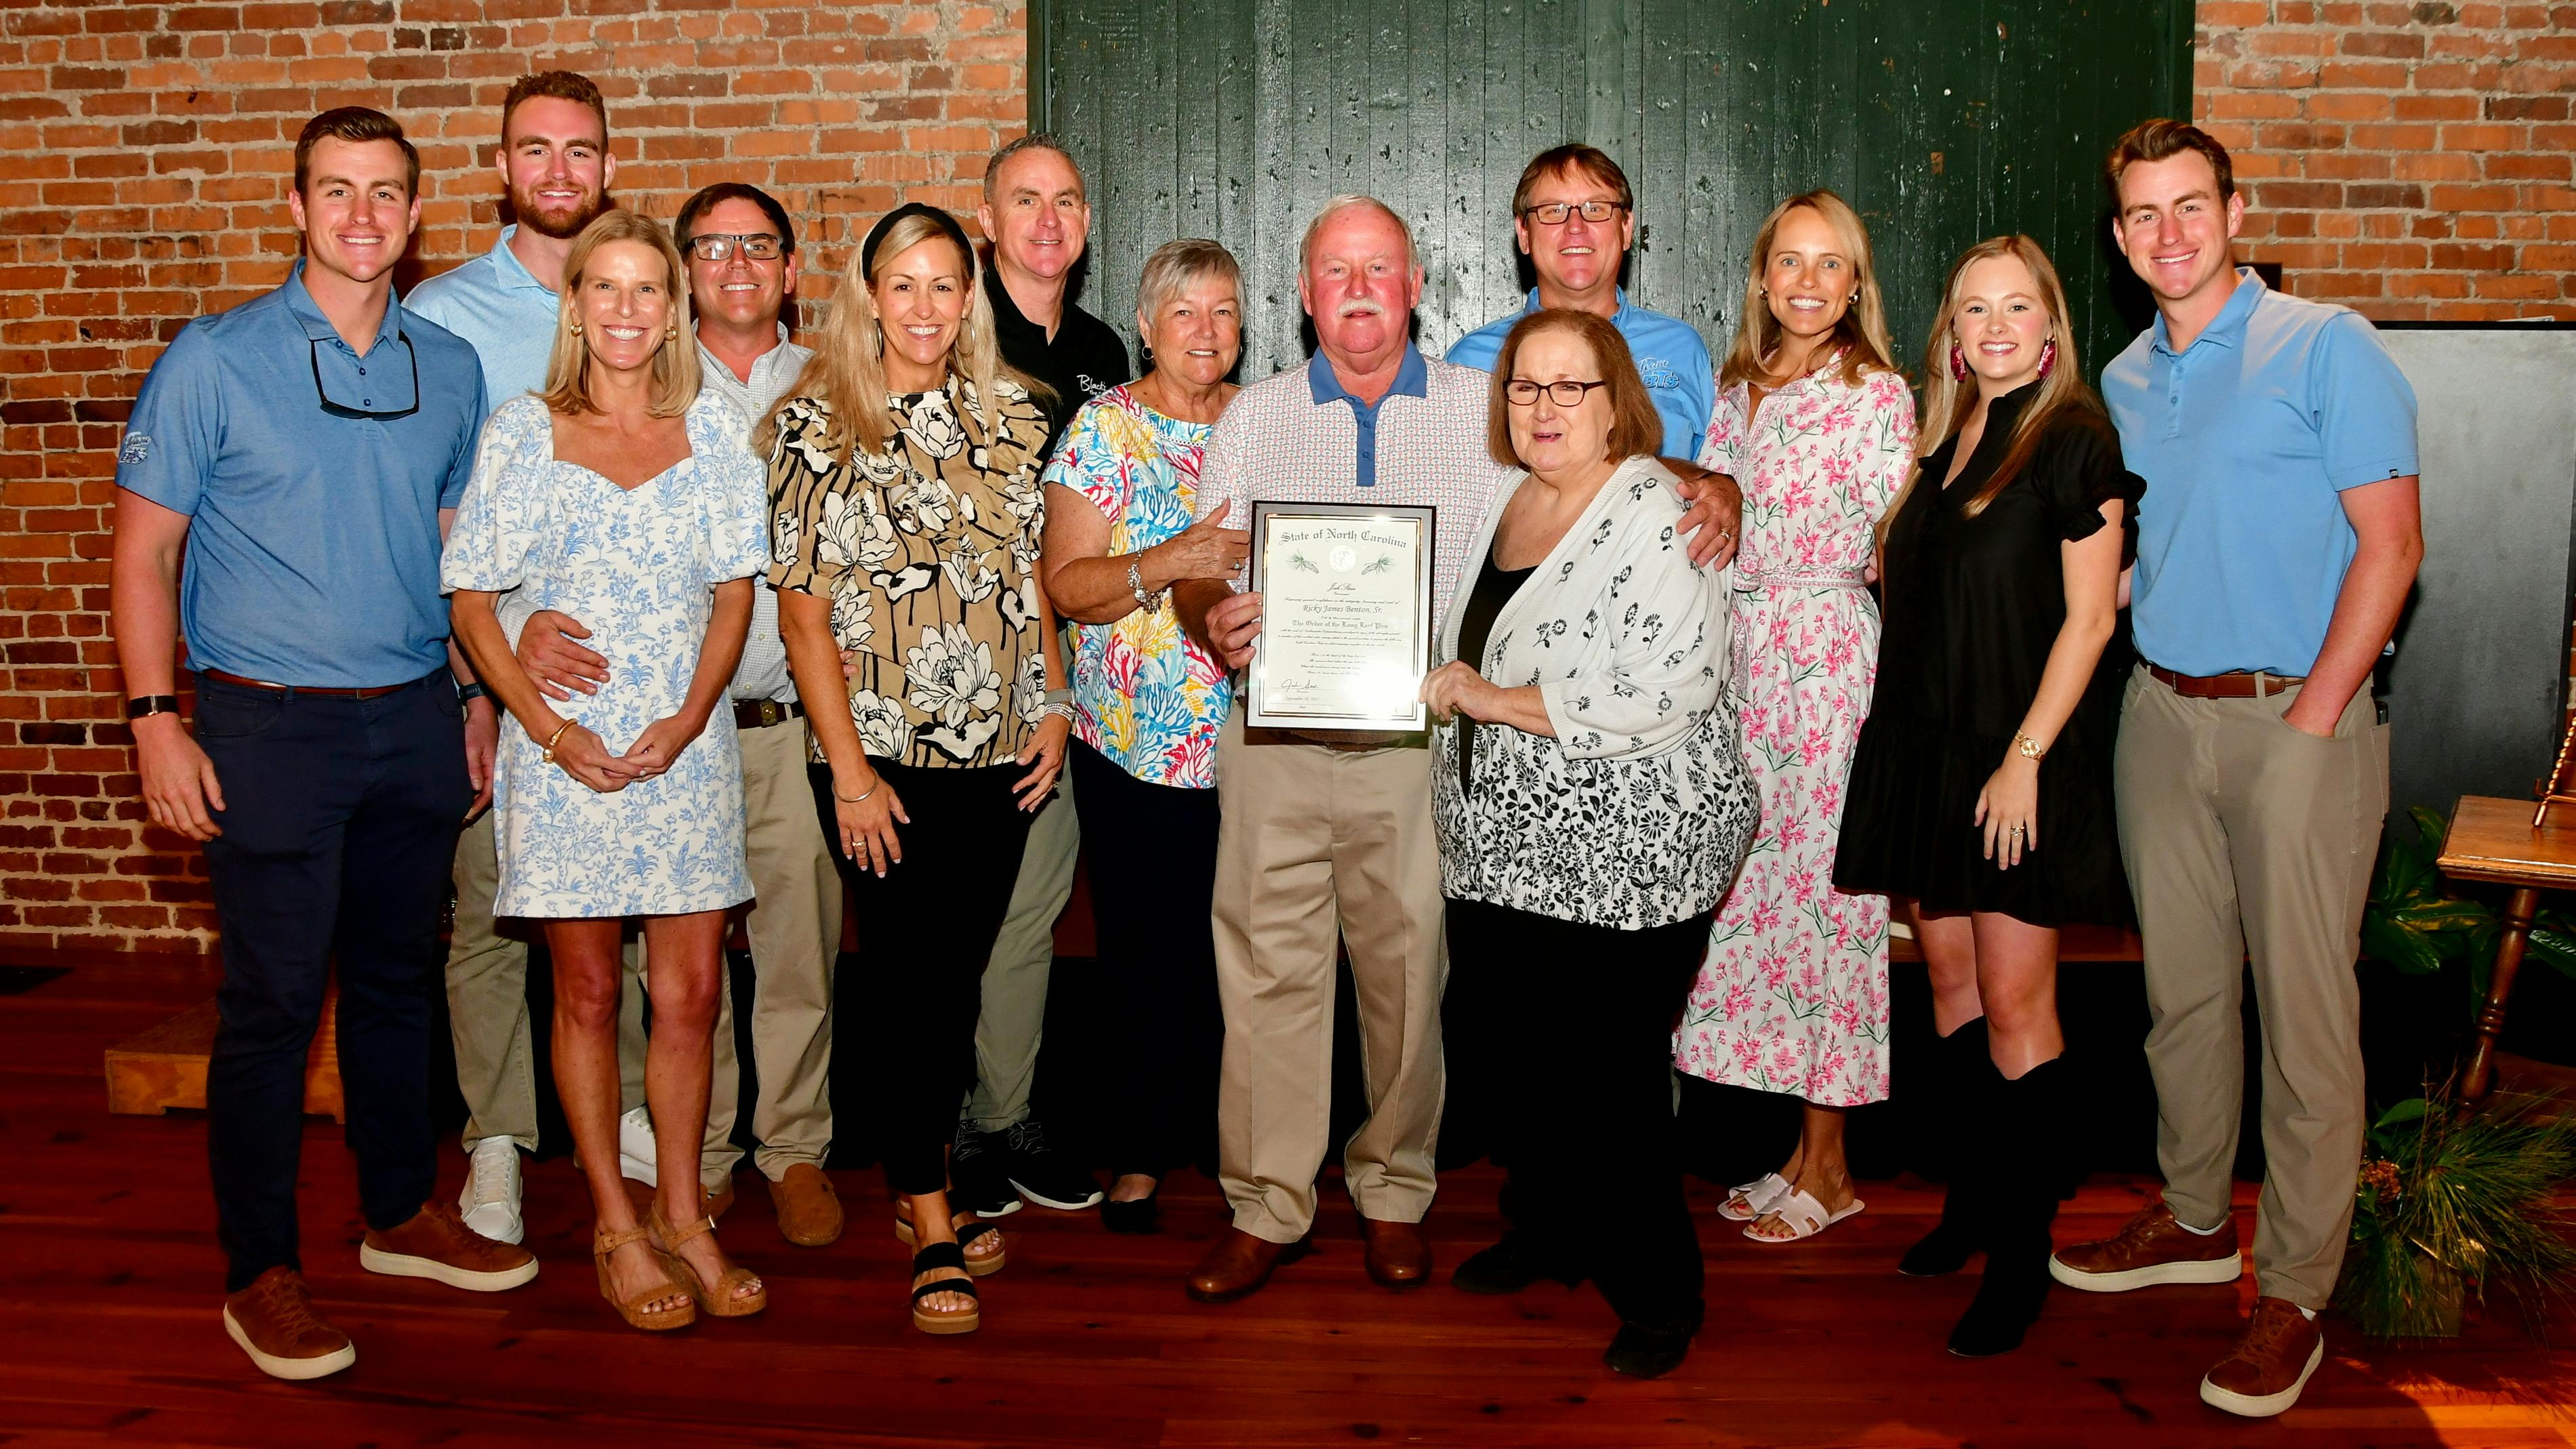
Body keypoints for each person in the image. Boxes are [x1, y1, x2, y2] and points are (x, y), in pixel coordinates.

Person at [1173, 196, 1734, 1305]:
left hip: (1418, 747)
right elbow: (1206, 556)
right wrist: (1206, 613)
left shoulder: (1489, 413)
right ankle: (1267, 1204)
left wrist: (1714, 484)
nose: (1360, 291)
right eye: (1336, 273)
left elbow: (1601, 475)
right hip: (1275, 734)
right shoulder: (1255, 416)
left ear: (1417, 282)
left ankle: (1392, 1191)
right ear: (1306, 292)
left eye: (1379, 269)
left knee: (1407, 982)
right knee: (1265, 975)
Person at [109, 106, 537, 1383]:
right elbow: (144, 551)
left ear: (416, 216)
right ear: (296, 208)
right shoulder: (215, 357)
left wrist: (472, 696)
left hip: (412, 717)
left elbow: (459, 549)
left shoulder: (448, 366)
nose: (363, 215)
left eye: (387, 193)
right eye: (337, 191)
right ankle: (263, 1272)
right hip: (265, 720)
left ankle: (399, 1211)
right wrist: (155, 720)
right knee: (275, 1006)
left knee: (401, 984)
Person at [2050, 119, 2421, 1420]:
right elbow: (2142, 554)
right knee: (2185, 998)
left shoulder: (2328, 345)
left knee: (2308, 1021)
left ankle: (2297, 1290)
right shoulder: (2122, 376)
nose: (2168, 233)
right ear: (2119, 237)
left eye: (2188, 206)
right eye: (2142, 214)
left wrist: (2318, 715)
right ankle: (2198, 1218)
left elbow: (2391, 546)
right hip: (2162, 715)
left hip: (2295, 723)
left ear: (2234, 209)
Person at [406, 69, 725, 1244]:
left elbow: (721, 562)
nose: (557, 171)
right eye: (533, 152)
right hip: (510, 674)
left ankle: (648, 1139)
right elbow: (442, 518)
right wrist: (488, 671)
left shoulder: (677, 366)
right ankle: (499, 1135)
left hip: (646, 704)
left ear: (604, 162)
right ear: (502, 167)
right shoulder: (441, 317)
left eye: (578, 152)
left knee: (658, 968)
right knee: (502, 923)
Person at [443, 210, 773, 1331]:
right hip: (566, 758)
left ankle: (685, 1215)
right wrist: (544, 727)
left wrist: (687, 718)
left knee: (690, 993)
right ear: (573, 305)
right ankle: (613, 1224)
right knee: (584, 991)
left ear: (673, 307)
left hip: (684, 749)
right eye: (605, 287)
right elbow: (474, 597)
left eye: (648, 288)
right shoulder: (520, 431)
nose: (627, 307)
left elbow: (735, 590)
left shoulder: (713, 433)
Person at [506, 182, 849, 1248]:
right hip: (635, 738)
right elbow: (514, 563)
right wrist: (519, 628)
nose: (737, 265)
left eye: (760, 247)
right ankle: (688, 1173)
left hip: (775, 721)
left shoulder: (836, 385)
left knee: (785, 958)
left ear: (791, 269)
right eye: (711, 248)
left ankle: (792, 1150)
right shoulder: (596, 403)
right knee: (637, 984)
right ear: (680, 279)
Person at [1423, 309, 1758, 1379]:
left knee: (1608, 1080)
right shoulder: (1506, 500)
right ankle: (1550, 1229)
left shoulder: (1661, 511)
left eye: (1571, 388)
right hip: (1502, 844)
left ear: (1616, 403)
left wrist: (1489, 697)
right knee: (1523, 1062)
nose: (1545, 407)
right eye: (1526, 386)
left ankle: (1662, 1290)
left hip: (1627, 848)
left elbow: (1663, 688)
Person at [1833, 236, 2141, 1358]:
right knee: (1953, 991)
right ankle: (1970, 1207)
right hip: (1924, 751)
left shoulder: (2074, 438)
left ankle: (2021, 1257)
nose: (1995, 327)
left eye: (2017, 307)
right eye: (1974, 310)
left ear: (2050, 326)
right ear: (1949, 334)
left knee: (2018, 1009)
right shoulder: (1941, 435)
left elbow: (2093, 619)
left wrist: (2024, 756)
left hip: (2014, 757)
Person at [765, 202, 1062, 1334]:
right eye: (906, 284)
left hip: (997, 756)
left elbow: (1028, 580)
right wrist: (846, 774)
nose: (928, 306)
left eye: (948, 284)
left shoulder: (1014, 418)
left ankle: (914, 1174)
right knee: (910, 983)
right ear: (869, 295)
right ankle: (931, 1215)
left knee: (958, 975)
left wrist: (1052, 700)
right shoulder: (813, 427)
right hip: (880, 760)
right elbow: (800, 621)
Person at [1673, 189, 1918, 1244]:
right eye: (1791, 262)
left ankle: (1834, 1160)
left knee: (1830, 908)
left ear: (1854, 281)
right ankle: (1792, 1148)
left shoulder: (1878, 392)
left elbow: (1892, 541)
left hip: (1825, 665)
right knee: (1758, 912)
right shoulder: (1736, 389)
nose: (1809, 282)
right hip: (1742, 662)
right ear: (1763, 277)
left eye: (1831, 264)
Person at [1037, 238, 1251, 1233]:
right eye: (1184, 313)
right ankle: (1138, 1149)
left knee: (1249, 953)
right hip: (1134, 743)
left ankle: (1238, 1138)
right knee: (1143, 953)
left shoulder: (1267, 424)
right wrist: (1170, 558)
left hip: (1259, 740)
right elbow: (1067, 587)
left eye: (1222, 312)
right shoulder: (1103, 431)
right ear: (1146, 324)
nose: (1204, 332)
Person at [945, 133, 1134, 1219]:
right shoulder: (950, 331)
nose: (1049, 219)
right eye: (1026, 200)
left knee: (1032, 905)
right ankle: (953, 1130)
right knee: (958, 912)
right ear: (988, 218)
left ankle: (1002, 1115)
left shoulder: (1106, 350)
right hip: (963, 674)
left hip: (1078, 681)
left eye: (1067, 200)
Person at [1446, 144, 1719, 462]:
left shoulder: (1682, 350)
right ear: (1523, 233)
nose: (1575, 227)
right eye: (1553, 210)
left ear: (1626, 228)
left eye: (1596, 208)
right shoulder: (1471, 361)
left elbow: (1710, 480)